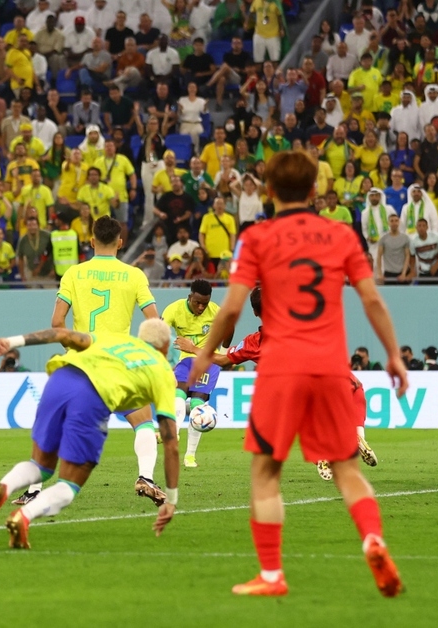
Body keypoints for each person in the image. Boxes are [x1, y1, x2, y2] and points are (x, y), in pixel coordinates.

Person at [189, 150, 405, 597]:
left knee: (266, 473)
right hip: (329, 366)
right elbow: (371, 300)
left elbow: (231, 307)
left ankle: (271, 575)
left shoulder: (256, 238)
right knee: (346, 468)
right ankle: (372, 539)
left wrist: (205, 355)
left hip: (280, 368)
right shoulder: (341, 234)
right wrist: (394, 356)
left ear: (267, 192)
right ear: (313, 191)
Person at [0, 318, 180, 548]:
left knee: (40, 466)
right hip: (92, 398)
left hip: (59, 380)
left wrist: (11, 341)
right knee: (69, 486)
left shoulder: (115, 339)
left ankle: (5, 486)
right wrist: (171, 500)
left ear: (141, 338)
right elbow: (171, 443)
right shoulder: (162, 371)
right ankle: (24, 516)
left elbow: (62, 334)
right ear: (166, 347)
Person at [14, 216, 163, 505]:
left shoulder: (73, 273)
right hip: (118, 365)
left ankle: (33, 491)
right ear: (120, 243)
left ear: (92, 241)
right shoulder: (134, 276)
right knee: (143, 421)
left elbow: (57, 321)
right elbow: (154, 322)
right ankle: (145, 477)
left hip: (80, 365)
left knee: (55, 426)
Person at [176, 287, 379, 481]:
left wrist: (193, 348)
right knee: (356, 389)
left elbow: (221, 360)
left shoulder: (253, 343)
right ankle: (356, 436)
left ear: (256, 313)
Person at [162, 279, 229, 468]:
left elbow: (228, 329)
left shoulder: (215, 311)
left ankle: (190, 455)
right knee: (178, 395)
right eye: (197, 302)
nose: (201, 307)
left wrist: (223, 351)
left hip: (207, 362)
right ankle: (173, 433)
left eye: (204, 304)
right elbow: (160, 331)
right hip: (185, 361)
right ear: (189, 296)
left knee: (198, 405)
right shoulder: (174, 310)